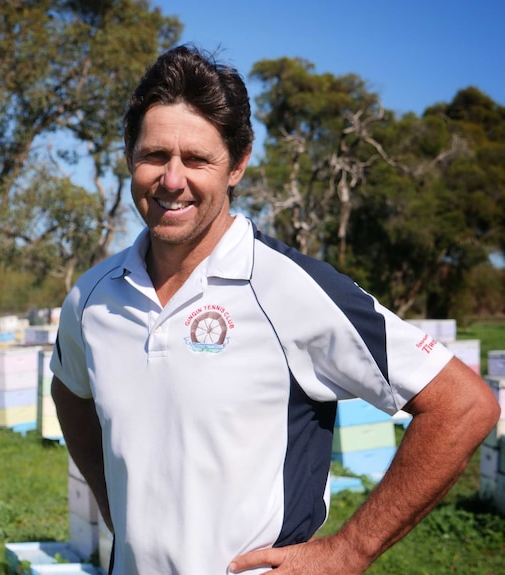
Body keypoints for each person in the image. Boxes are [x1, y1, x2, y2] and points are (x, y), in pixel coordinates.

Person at [49, 44, 501, 575]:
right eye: (154, 156)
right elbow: (70, 390)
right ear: (130, 155)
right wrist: (116, 511)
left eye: (197, 159)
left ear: (237, 165)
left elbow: (464, 405)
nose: (172, 180)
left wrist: (349, 549)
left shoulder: (289, 287)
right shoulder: (92, 296)